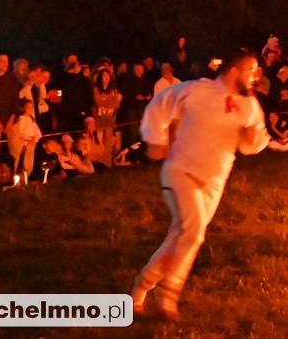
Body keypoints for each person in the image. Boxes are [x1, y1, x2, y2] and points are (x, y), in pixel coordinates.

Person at [131, 49, 269, 321]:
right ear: (233, 71)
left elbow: (255, 143)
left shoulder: (250, 105)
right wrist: (156, 140)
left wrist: (251, 138)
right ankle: (168, 299)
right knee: (193, 233)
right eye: (251, 70)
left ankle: (139, 290)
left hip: (213, 183)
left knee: (179, 239)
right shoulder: (196, 91)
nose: (256, 76)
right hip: (180, 172)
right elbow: (160, 105)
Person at [92, 69, 122, 166]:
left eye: (108, 75)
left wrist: (106, 101)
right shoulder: (96, 88)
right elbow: (98, 102)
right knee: (100, 143)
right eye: (104, 75)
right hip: (99, 120)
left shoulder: (113, 89)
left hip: (109, 120)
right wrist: (109, 101)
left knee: (108, 144)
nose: (106, 77)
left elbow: (117, 104)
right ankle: (99, 165)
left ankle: (108, 165)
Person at [6, 99, 42, 178]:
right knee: (16, 160)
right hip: (21, 144)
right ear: (23, 108)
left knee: (29, 162)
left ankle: (26, 177)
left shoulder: (32, 119)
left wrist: (35, 139)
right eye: (28, 107)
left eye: (31, 107)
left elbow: (37, 131)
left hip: (30, 144)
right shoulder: (20, 120)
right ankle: (13, 176)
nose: (30, 109)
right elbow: (20, 132)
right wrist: (27, 138)